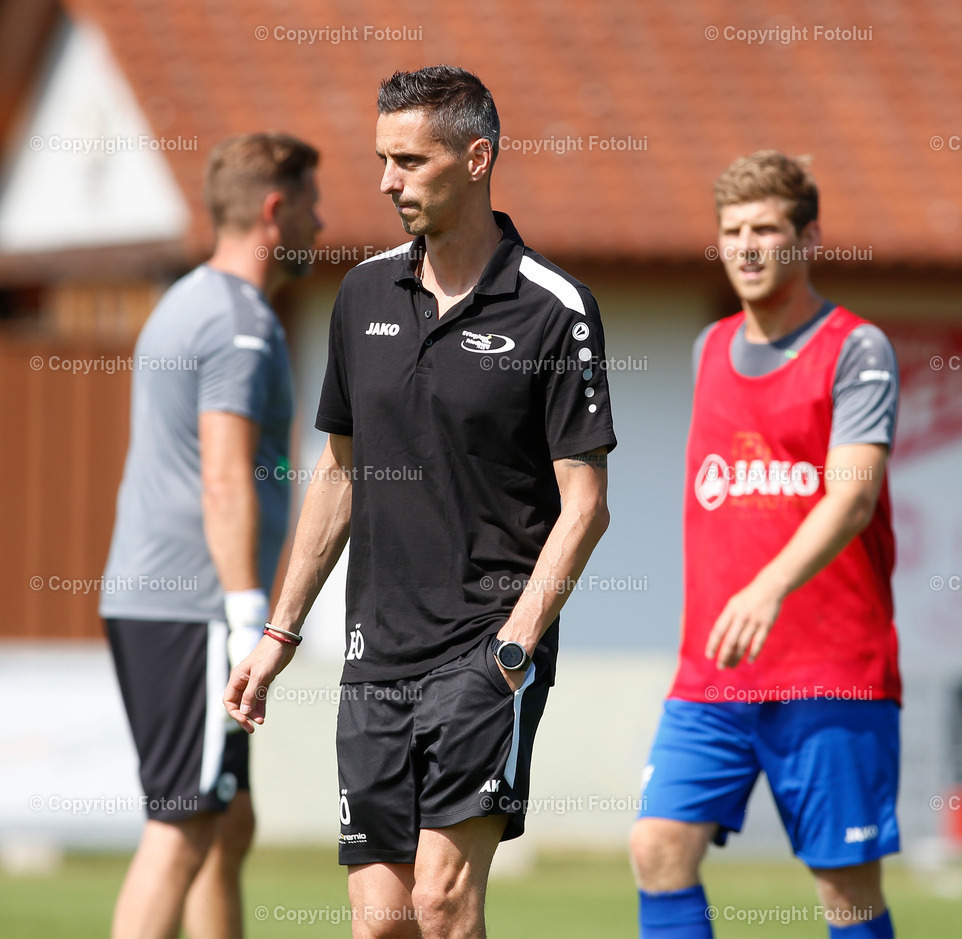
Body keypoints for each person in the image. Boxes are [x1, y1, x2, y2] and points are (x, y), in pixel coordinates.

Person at [224, 65, 616, 938]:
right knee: (382, 921)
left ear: (477, 159)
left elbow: (584, 505)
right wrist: (280, 632)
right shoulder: (361, 294)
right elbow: (338, 475)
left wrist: (515, 649)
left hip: (487, 649)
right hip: (375, 659)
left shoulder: (556, 311)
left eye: (409, 160)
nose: (385, 181)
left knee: (441, 903)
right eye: (381, 159)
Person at [630, 151, 901, 939]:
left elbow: (851, 497)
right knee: (657, 846)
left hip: (831, 673)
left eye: (766, 229)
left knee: (844, 889)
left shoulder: (856, 349)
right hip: (713, 673)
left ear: (809, 237)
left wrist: (766, 586)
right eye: (731, 231)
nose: (746, 246)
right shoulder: (707, 348)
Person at [100, 132, 321, 938]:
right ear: (274, 209)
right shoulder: (239, 324)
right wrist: (244, 617)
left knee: (226, 824)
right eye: (311, 203)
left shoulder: (187, 300)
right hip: (197, 607)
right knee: (184, 822)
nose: (322, 222)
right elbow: (225, 476)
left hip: (160, 602)